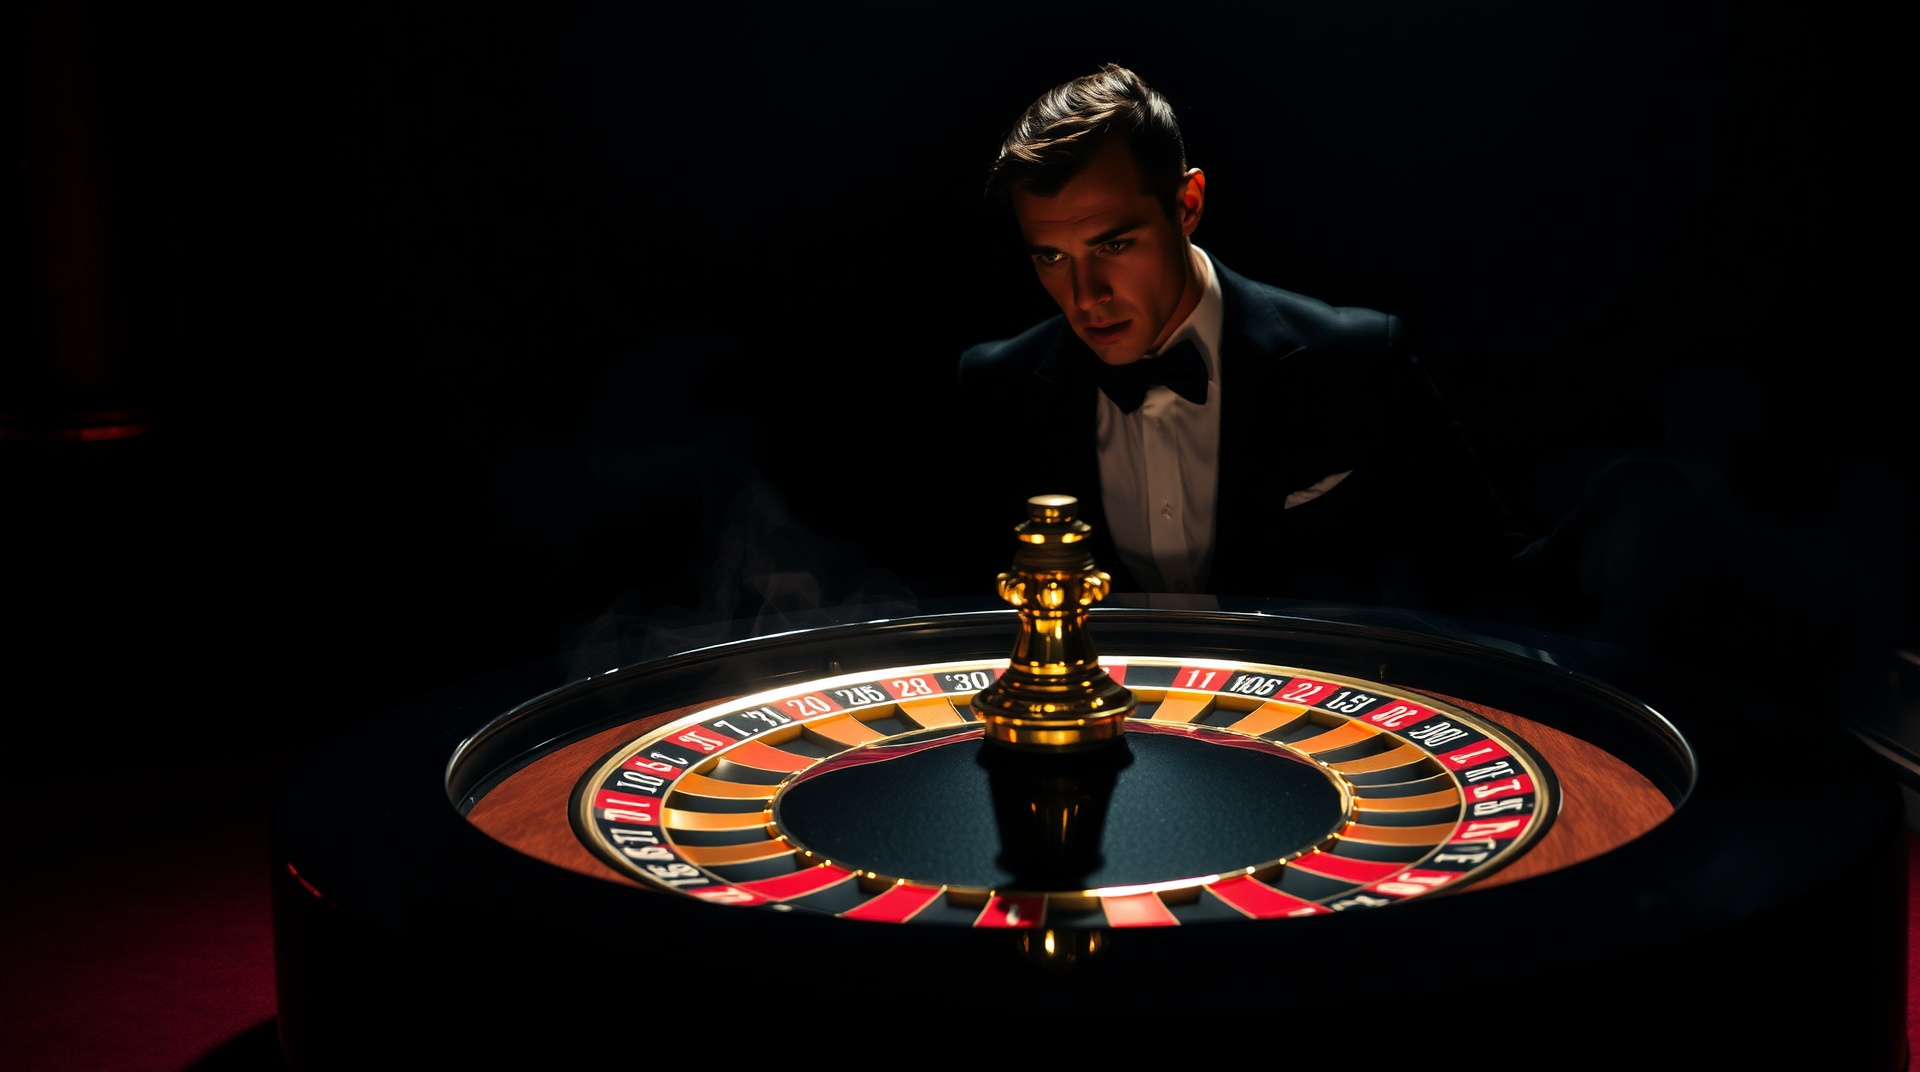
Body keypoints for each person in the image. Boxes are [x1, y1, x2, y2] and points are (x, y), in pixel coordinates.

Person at [952, 63, 1525, 610]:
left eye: (1113, 244)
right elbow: (951, 614)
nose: (1085, 297)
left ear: (1188, 205)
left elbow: (1498, 587)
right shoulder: (997, 389)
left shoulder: (1357, 363)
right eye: (1052, 257)